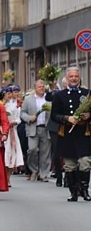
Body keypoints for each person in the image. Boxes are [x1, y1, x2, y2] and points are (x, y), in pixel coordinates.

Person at [50, 67, 91, 201]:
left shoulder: (87, 93)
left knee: (85, 162)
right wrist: (67, 118)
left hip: (83, 133)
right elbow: (54, 116)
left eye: (76, 76)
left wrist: (88, 115)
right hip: (67, 133)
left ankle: (84, 190)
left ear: (79, 77)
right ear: (67, 78)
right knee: (70, 165)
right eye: (71, 76)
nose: (74, 79)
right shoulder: (59, 95)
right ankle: (73, 192)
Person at [21, 80, 52, 181]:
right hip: (33, 128)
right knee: (32, 150)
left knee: (45, 152)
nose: (42, 88)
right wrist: (29, 118)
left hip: (45, 128)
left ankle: (44, 174)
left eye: (43, 87)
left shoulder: (48, 99)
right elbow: (22, 113)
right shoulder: (28, 100)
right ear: (35, 88)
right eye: (39, 87)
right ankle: (34, 170)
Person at [2, 87, 24, 184]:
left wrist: (13, 122)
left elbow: (18, 119)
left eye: (9, 94)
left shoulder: (12, 106)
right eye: (6, 94)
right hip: (0, 131)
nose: (8, 96)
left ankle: (8, 178)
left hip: (11, 132)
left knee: (11, 154)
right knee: (3, 154)